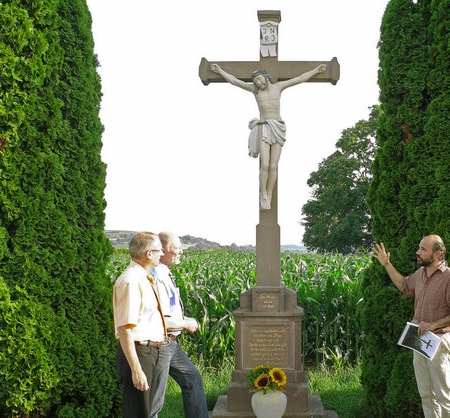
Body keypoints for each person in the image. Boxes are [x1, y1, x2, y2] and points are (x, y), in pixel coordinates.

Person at [211, 63, 327, 210]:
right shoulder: (255, 91)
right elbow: (235, 81)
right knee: (264, 164)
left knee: (273, 165)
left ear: (265, 77)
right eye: (256, 82)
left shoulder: (278, 87)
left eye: (259, 79)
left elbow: (300, 78)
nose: (258, 83)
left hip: (278, 126)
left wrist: (316, 70)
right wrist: (220, 71)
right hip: (264, 126)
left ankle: (269, 193)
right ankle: (263, 193)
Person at [372, 236, 450, 418]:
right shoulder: (420, 274)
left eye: (423, 249)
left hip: (440, 340)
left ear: (437, 254)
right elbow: (404, 286)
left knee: (443, 394)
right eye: (419, 247)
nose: (418, 252)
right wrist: (386, 264)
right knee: (425, 394)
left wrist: (433, 325)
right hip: (418, 338)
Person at [153, 232, 209, 418]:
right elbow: (161, 320)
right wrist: (186, 323)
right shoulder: (158, 276)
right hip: (161, 343)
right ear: (162, 250)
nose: (181, 252)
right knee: (155, 398)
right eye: (177, 248)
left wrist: (183, 319)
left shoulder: (164, 273)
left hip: (171, 343)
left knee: (192, 378)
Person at [113, 232, 169, 418]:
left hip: (147, 352)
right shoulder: (131, 281)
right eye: (159, 250)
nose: (162, 254)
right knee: (137, 413)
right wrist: (136, 370)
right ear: (148, 253)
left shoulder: (142, 278)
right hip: (138, 353)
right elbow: (125, 329)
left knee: (143, 412)